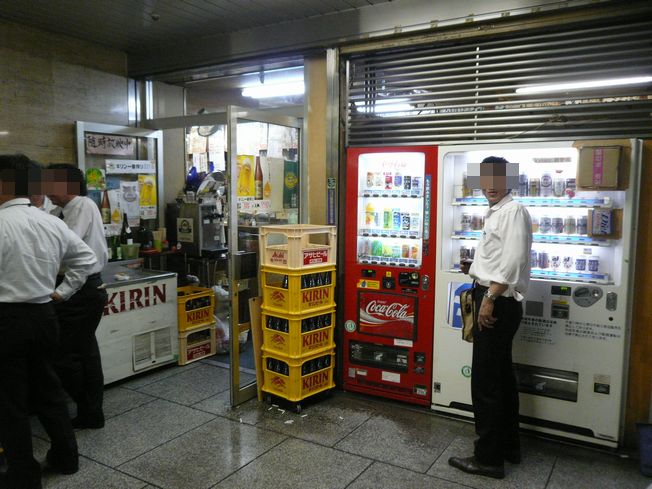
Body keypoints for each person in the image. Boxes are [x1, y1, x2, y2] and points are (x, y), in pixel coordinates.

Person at [0, 154, 97, 489]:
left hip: (8, 320)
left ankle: (23, 476)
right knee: (48, 389)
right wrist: (62, 293)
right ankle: (66, 457)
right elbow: (87, 258)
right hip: (44, 314)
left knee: (11, 400)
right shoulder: (51, 221)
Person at [449, 156, 532, 480]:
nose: (491, 186)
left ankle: (487, 459)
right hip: (497, 298)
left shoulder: (512, 211)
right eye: (486, 179)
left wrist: (490, 299)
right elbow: (502, 257)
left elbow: (512, 262)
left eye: (498, 179)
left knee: (485, 383)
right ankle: (509, 447)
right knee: (501, 379)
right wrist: (476, 269)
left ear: (510, 179)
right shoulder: (501, 211)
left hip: (498, 301)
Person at [45, 163, 109, 430]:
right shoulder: (59, 211)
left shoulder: (82, 205)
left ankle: (88, 408)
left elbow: (64, 244)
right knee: (85, 351)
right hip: (82, 288)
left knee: (65, 354)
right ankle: (91, 412)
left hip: (80, 288)